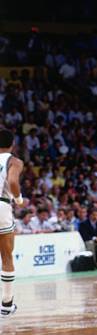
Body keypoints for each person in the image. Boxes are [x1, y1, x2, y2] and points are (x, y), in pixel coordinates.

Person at [0, 129, 24, 317]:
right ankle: (7, 305)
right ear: (12, 144)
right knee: (7, 257)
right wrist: (18, 198)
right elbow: (13, 181)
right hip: (1, 206)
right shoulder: (13, 161)